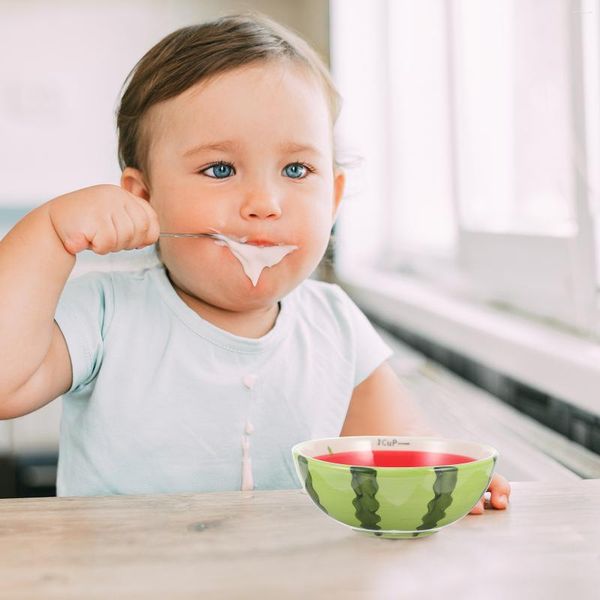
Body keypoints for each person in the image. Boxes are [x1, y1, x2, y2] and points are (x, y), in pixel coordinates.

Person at [0, 13, 509, 510]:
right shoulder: (106, 315)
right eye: (220, 169)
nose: (264, 202)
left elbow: (401, 449)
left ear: (332, 201)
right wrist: (47, 233)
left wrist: (451, 484)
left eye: (296, 168)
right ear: (144, 197)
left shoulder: (336, 325)